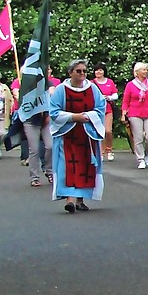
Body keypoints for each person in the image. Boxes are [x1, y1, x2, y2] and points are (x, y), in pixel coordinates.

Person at [49, 60, 105, 213]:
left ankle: (80, 200)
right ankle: (70, 200)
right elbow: (54, 111)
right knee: (68, 166)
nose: (82, 74)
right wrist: (74, 117)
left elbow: (100, 108)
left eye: (84, 71)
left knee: (85, 167)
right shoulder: (61, 90)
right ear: (70, 73)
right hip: (67, 135)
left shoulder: (92, 89)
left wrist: (87, 116)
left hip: (86, 135)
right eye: (78, 71)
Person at [122, 62, 148, 169]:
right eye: (143, 70)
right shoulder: (130, 85)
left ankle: (147, 153)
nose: (146, 71)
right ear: (137, 72)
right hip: (134, 113)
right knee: (138, 138)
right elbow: (125, 101)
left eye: (146, 69)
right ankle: (141, 159)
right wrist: (124, 112)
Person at [90, 64, 119, 161]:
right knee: (99, 131)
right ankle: (100, 151)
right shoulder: (91, 83)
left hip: (108, 110)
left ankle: (109, 150)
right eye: (96, 70)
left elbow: (115, 94)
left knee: (108, 131)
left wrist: (109, 97)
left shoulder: (109, 82)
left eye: (100, 70)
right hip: (96, 110)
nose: (98, 72)